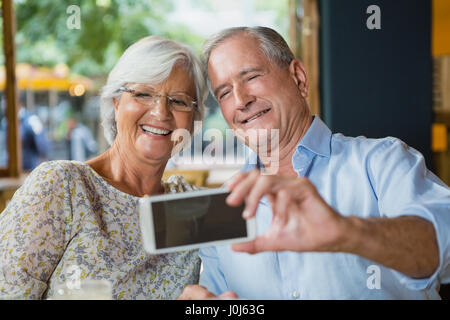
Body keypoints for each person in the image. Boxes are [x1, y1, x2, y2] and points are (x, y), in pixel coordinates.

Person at [178, 26, 450, 300]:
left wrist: (349, 232)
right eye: (224, 93)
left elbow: (445, 245)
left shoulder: (381, 162)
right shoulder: (222, 206)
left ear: (298, 78)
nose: (240, 100)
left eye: (251, 77)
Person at [0, 36, 208, 299]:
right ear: (116, 103)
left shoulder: (192, 206)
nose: (161, 112)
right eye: (143, 94)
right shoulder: (62, 187)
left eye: (178, 101)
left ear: (194, 119)